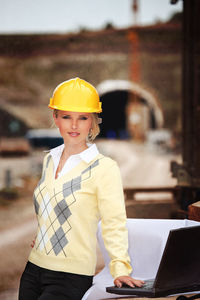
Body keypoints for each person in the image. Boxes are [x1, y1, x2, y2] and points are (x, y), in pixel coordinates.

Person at [18, 77, 144, 300]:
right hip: (33, 269)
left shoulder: (104, 168)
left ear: (92, 122)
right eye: (67, 117)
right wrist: (43, 232)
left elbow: (113, 223)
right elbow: (51, 203)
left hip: (71, 276)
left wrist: (120, 269)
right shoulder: (50, 160)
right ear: (56, 118)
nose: (74, 125)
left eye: (83, 117)